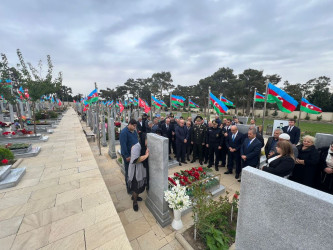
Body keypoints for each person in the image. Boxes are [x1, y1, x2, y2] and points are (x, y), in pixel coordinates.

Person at [128, 142, 149, 211]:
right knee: (136, 186)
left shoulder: (143, 146)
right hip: (135, 171)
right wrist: (146, 155)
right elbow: (135, 160)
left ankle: (134, 197)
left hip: (140, 169)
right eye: (147, 140)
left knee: (138, 186)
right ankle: (134, 202)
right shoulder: (137, 147)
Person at [119, 119, 139, 194]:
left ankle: (133, 186)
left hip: (134, 155)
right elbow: (123, 145)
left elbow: (136, 140)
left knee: (134, 172)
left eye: (135, 126)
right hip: (128, 156)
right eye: (133, 126)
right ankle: (129, 189)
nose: (134, 128)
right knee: (129, 172)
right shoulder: (124, 133)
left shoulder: (134, 131)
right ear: (129, 124)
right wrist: (127, 156)